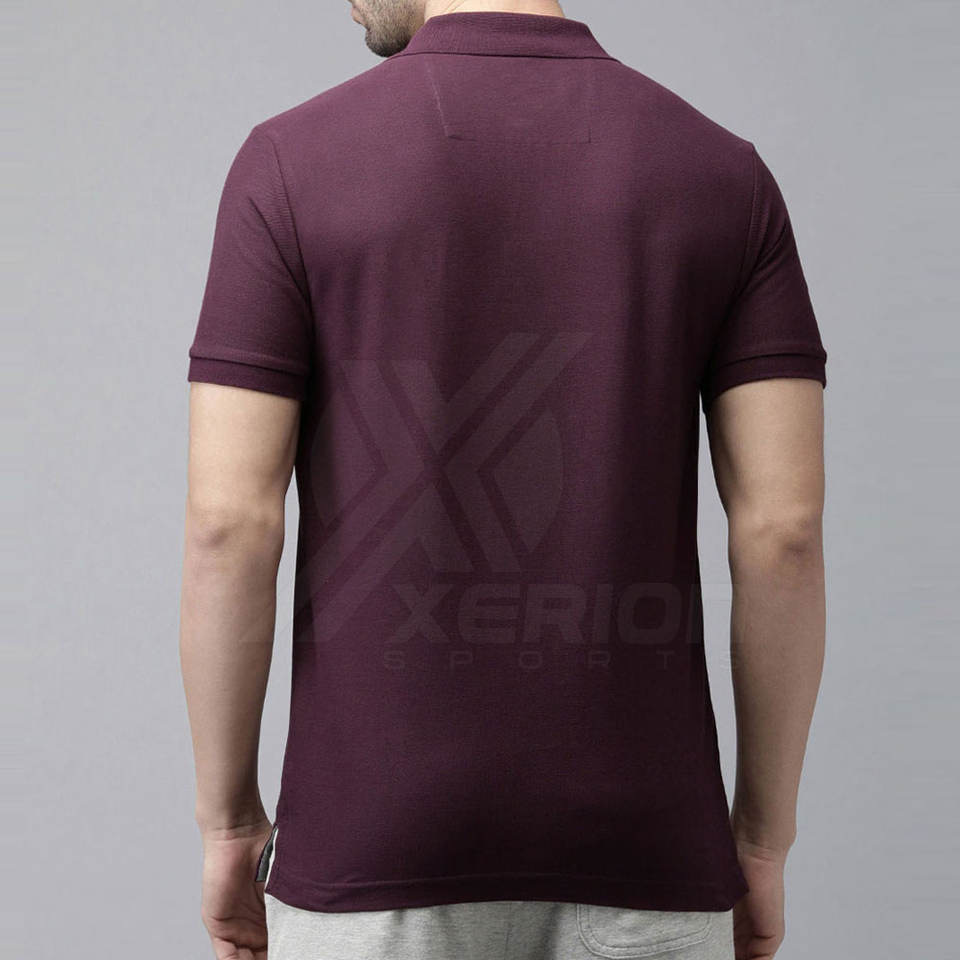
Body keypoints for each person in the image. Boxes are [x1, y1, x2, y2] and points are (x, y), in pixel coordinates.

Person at [179, 2, 827, 958]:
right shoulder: (723, 174)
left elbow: (228, 524)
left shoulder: (289, 162)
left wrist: (230, 823)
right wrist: (762, 839)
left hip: (369, 847)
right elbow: (784, 532)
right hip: (647, 846)